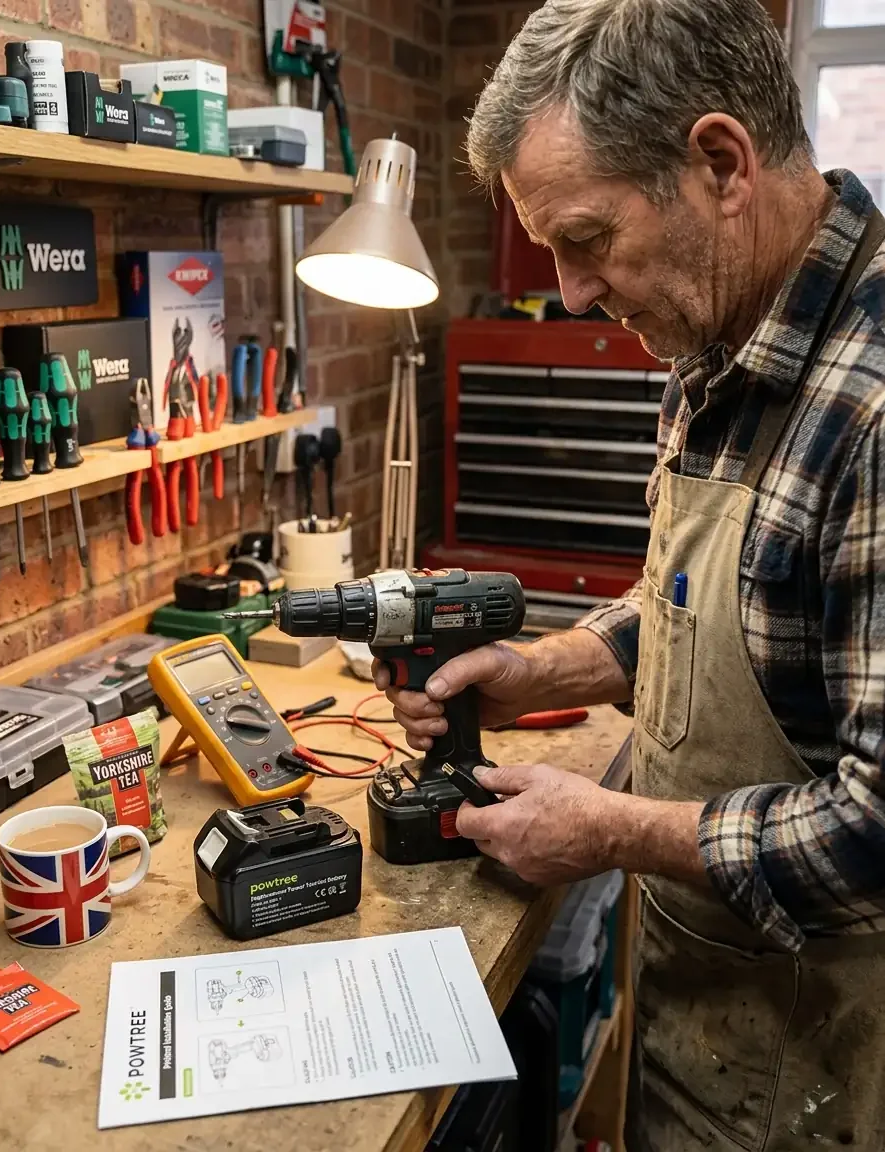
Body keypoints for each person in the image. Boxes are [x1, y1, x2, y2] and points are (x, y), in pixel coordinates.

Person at [375, 1, 885, 1148]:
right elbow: (704, 607)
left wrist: (610, 831)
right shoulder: (715, 338)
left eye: (588, 239)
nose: (568, 292)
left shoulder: (875, 409)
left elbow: (877, 831)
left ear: (719, 163)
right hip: (713, 1029)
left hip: (829, 1082)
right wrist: (535, 665)